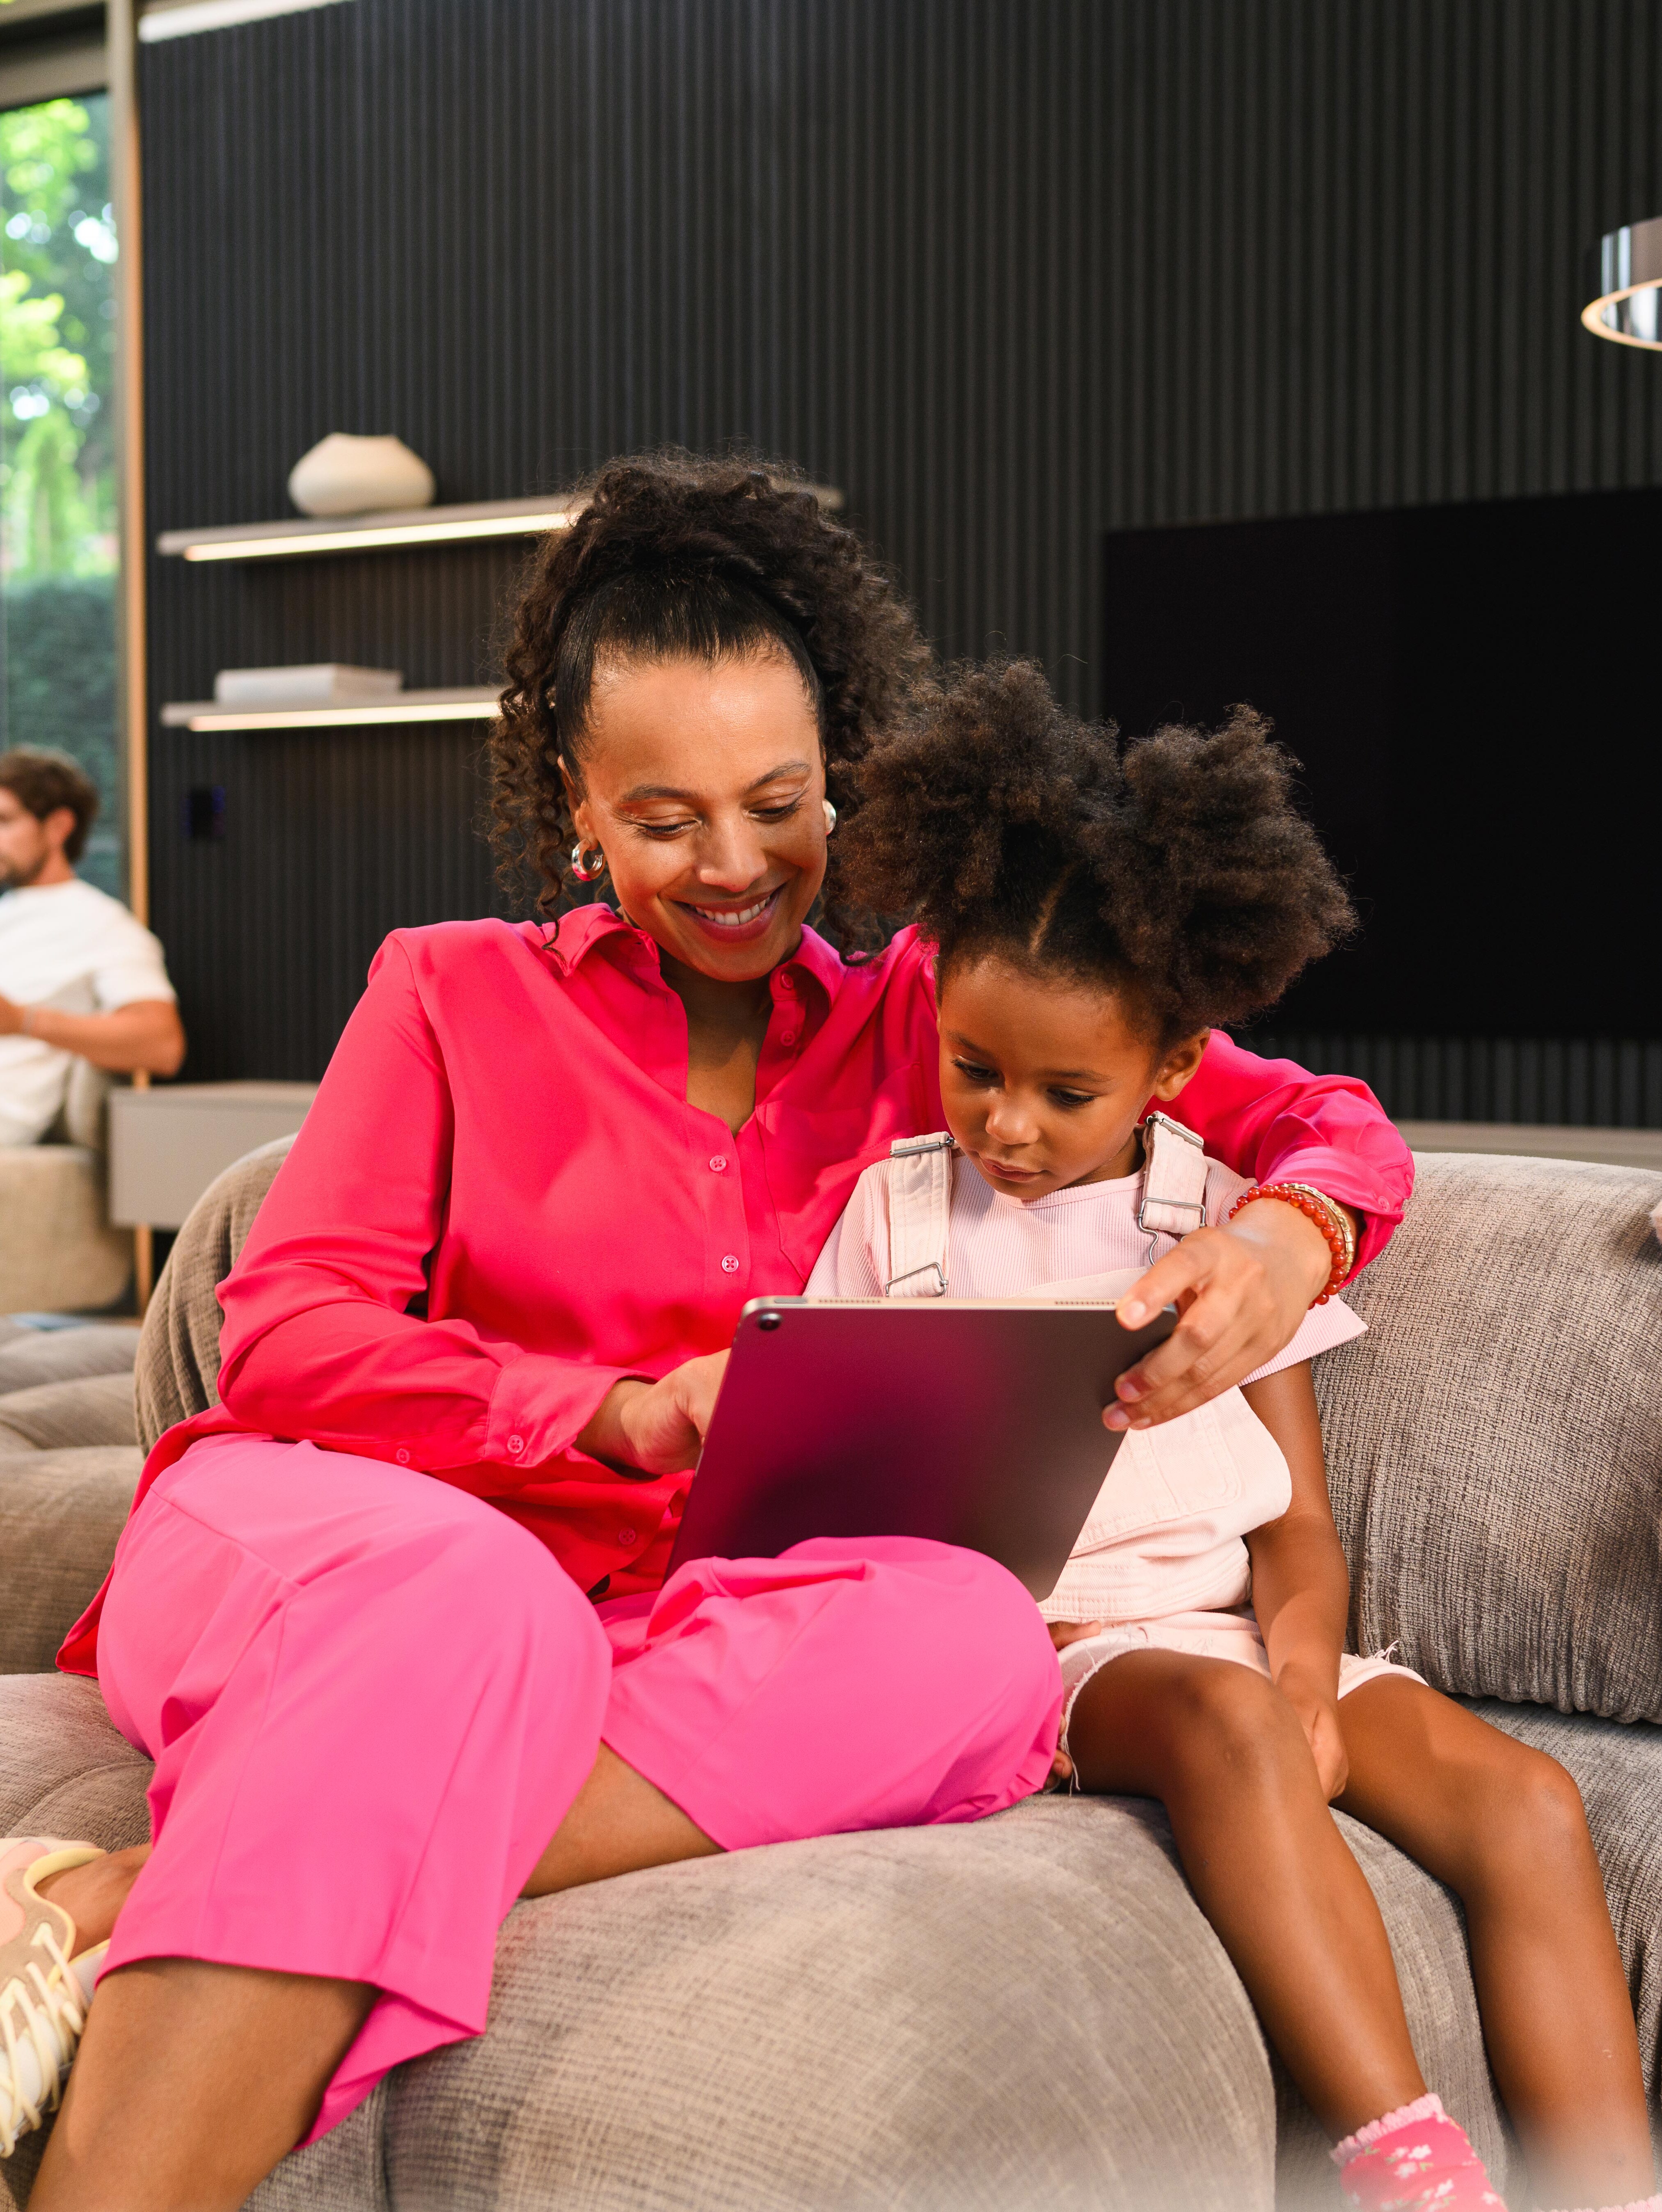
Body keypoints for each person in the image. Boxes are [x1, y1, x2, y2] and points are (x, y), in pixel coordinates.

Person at [3, 457, 1411, 2210]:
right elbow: (285, 1333)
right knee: (474, 1598)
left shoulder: (932, 1009)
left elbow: (1315, 1112)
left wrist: (1290, 1230)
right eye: (663, 817)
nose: (734, 864)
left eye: (778, 800)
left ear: (845, 778)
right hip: (333, 1537)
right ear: (575, 807)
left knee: (973, 1634)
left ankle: (106, 1902)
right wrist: (605, 1411)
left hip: (666, 1625)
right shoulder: (445, 991)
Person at [812, 660, 1657, 2212]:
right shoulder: (891, 1221)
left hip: (1247, 1639)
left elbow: (1296, 1530)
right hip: (1071, 1653)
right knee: (1227, 1729)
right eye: (972, 1071)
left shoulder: (1220, 1222)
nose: (1005, 1126)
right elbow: (850, 1498)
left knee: (1529, 1803)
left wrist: (1302, 1672)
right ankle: (1409, 2164)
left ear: (1173, 1069)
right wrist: (1257, 1711)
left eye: (1064, 1091)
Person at [0, 747, 185, 1146]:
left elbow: (162, 1045)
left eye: (4, 820)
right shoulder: (7, 913)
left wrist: (23, 1021)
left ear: (58, 827)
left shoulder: (102, 924)